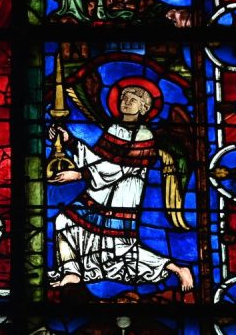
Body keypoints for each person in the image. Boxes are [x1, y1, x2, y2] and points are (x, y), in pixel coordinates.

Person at [47, 83, 193, 292]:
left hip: (123, 194)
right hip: (100, 191)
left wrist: (80, 174)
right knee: (64, 220)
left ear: (144, 108)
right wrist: (70, 141)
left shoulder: (145, 136)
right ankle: (72, 271)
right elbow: (98, 159)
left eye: (133, 100)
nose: (126, 102)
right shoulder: (114, 129)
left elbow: (121, 168)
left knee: (120, 248)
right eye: (124, 97)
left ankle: (176, 268)